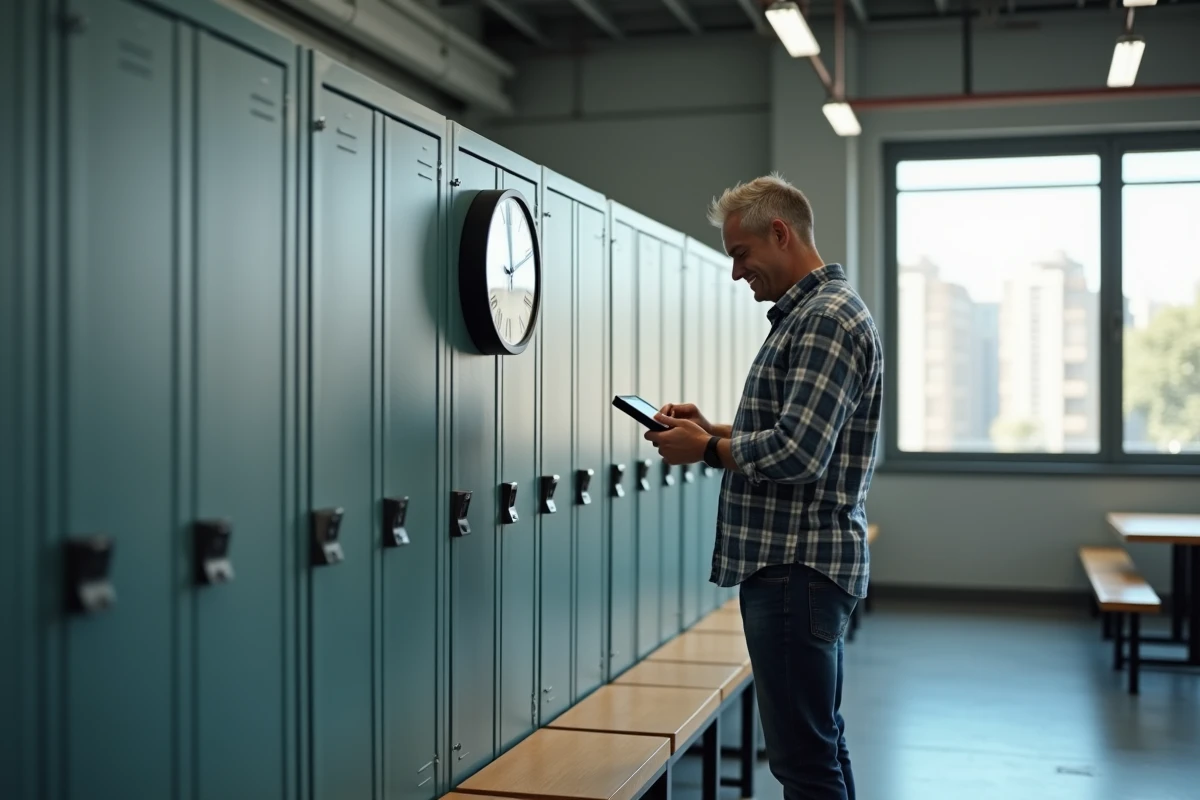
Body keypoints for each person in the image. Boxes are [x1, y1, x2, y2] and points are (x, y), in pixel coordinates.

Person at [644, 173, 882, 800]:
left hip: (794, 568)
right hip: (797, 570)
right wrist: (710, 429)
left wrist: (710, 450)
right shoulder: (814, 315)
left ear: (780, 233)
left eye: (740, 254)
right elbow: (797, 429)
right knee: (819, 745)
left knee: (803, 762)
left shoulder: (826, 319)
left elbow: (800, 453)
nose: (735, 272)